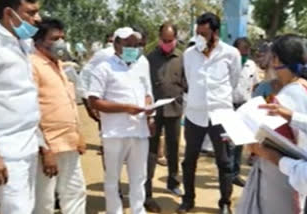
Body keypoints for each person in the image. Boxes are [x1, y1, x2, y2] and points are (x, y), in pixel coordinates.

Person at [178, 12, 241, 214]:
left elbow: (233, 81)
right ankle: (188, 200)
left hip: (221, 115)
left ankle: (225, 203)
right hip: (195, 116)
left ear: (215, 32)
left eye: (204, 33)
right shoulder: (189, 54)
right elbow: (190, 79)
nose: (200, 37)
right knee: (189, 161)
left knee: (224, 162)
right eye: (198, 33)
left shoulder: (231, 54)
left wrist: (216, 100)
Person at [237, 34, 307, 214]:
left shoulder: (287, 96)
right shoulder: (302, 87)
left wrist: (252, 143)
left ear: (276, 60)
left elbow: (269, 140)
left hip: (280, 177)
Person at [87, 27, 153, 214]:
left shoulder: (142, 63)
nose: (133, 48)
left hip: (139, 131)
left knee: (139, 178)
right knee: (112, 179)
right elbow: (94, 101)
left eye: (136, 45)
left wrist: (149, 109)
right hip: (115, 132)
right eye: (128, 44)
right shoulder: (104, 67)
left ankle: (137, 211)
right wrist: (125, 108)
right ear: (116, 44)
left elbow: (147, 92)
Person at [0, 0, 42, 213]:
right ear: (9, 13)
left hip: (27, 145)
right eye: (31, 12)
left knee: (26, 206)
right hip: (5, 149)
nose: (37, 18)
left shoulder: (21, 42)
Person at [31, 18, 86, 214]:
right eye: (55, 38)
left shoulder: (60, 65)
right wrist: (45, 150)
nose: (60, 43)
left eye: (62, 38)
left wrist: (78, 134)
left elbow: (70, 103)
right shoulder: (32, 65)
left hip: (69, 142)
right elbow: (30, 111)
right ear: (38, 41)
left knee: (75, 192)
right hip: (48, 148)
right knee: (44, 200)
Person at [144, 22, 186, 213]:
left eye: (170, 40)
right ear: (159, 38)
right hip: (154, 111)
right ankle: (147, 187)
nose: (167, 43)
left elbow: (187, 83)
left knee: (173, 147)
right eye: (164, 40)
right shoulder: (149, 58)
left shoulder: (182, 58)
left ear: (175, 39)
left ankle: (173, 181)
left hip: (174, 109)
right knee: (151, 150)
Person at [232, 37, 260, 187]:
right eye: (242, 49)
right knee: (226, 143)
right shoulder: (229, 63)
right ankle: (225, 173)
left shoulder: (251, 65)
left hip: (243, 107)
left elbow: (254, 84)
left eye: (247, 50)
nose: (244, 52)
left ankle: (235, 174)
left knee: (238, 143)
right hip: (229, 106)